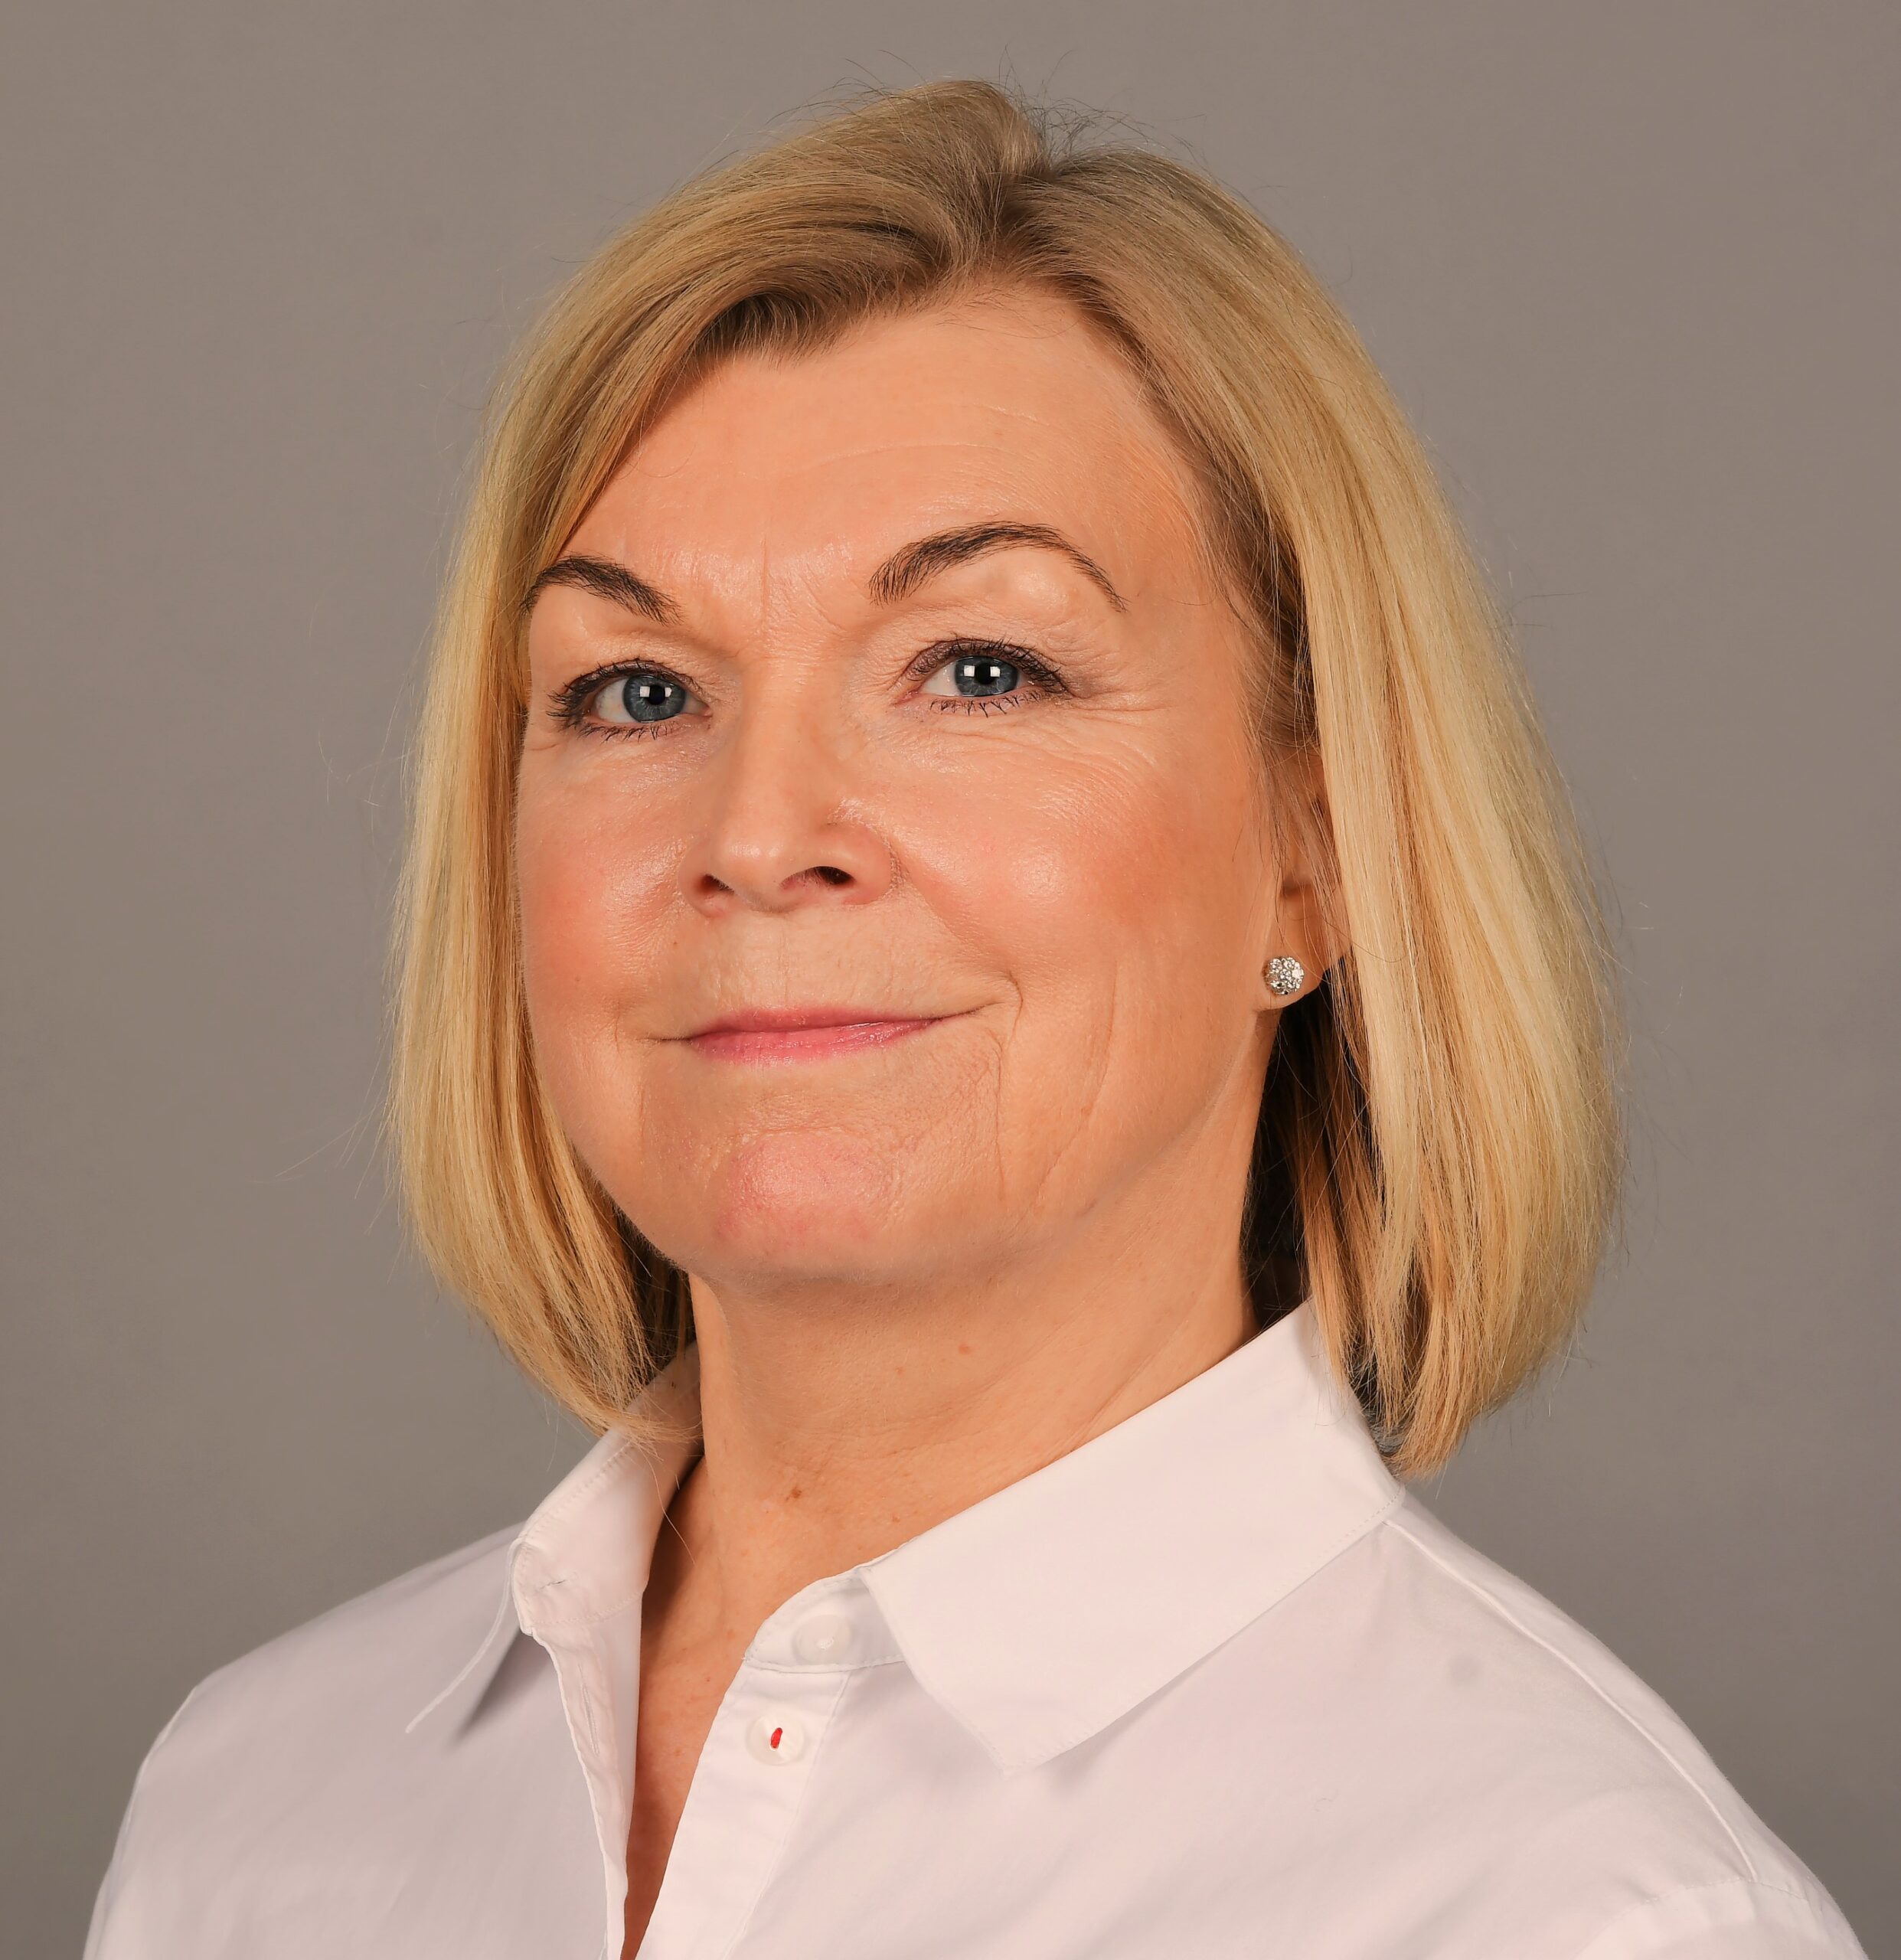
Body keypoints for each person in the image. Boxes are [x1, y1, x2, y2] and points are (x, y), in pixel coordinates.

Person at [84, 79, 1865, 1960]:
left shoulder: (1577, 1916)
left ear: (1316, 851)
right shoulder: (254, 1814)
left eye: (980, 669)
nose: (759, 834)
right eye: (637, 691)